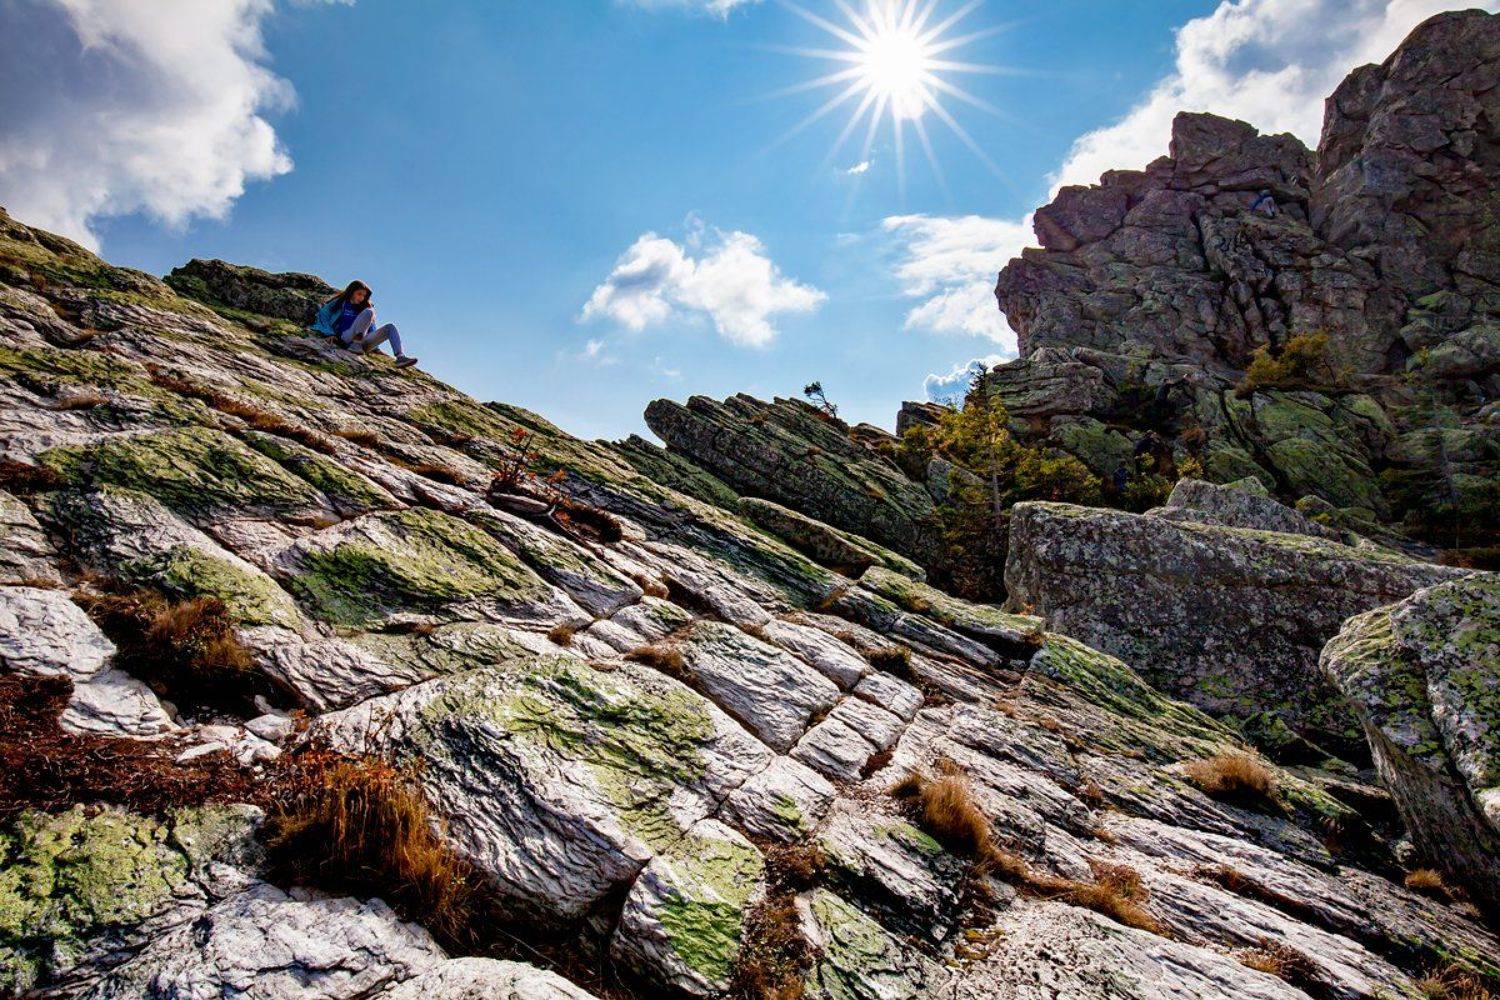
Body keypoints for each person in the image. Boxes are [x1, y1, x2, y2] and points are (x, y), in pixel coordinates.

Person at [310, 280, 418, 369]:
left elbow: (372, 328)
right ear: (352, 292)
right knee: (369, 312)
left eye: (364, 296)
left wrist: (376, 348)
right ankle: (355, 345)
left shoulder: (364, 308)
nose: (361, 298)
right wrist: (330, 333)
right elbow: (323, 315)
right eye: (359, 294)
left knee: (389, 327)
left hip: (363, 343)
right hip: (345, 338)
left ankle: (400, 357)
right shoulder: (340, 303)